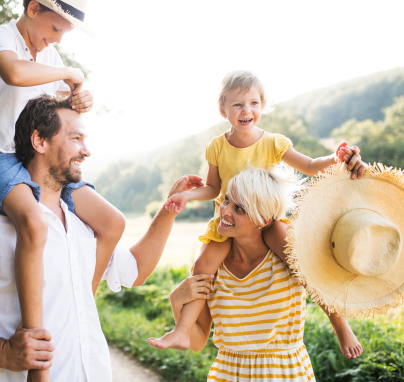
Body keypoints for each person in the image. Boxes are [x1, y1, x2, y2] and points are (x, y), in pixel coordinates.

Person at [0, 95, 202, 381]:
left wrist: (168, 211)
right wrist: (1, 351)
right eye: (75, 138)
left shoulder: (82, 224)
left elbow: (135, 271)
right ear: (39, 141)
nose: (86, 151)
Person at [0, 0, 124, 382]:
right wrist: (66, 74)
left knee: (112, 222)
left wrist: (77, 98)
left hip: (36, 158)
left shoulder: (51, 57)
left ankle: (76, 309)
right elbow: (16, 74)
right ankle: (37, 352)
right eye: (55, 28)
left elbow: (54, 112)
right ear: (33, 8)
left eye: (64, 33)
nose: (57, 40)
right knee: (34, 222)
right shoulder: (1, 38)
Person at [149, 70, 365, 359]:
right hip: (228, 220)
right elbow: (213, 188)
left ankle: (340, 324)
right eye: (237, 104)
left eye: (253, 103)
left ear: (262, 105)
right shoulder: (217, 146)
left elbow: (311, 166)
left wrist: (336, 158)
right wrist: (186, 195)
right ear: (222, 108)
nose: (246, 110)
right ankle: (182, 330)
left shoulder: (273, 142)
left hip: (265, 219)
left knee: (303, 265)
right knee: (201, 267)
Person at [168, 166, 317, 381]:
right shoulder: (213, 268)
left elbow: (330, 285)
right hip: (229, 375)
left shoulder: (287, 258)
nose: (225, 211)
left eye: (240, 209)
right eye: (227, 200)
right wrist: (176, 303)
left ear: (264, 220)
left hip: (284, 375)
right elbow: (198, 341)